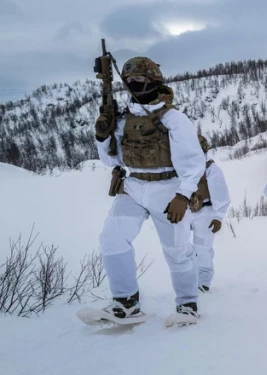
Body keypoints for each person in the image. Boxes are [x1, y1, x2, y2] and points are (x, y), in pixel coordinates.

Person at [95, 56, 205, 322]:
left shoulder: (173, 118)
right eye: (129, 80)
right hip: (133, 186)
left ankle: (187, 304)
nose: (133, 84)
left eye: (139, 80)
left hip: (168, 188)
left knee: (177, 249)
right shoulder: (123, 119)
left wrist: (183, 194)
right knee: (112, 238)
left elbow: (194, 162)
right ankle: (126, 301)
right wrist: (102, 136)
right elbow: (112, 159)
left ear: (154, 80)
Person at [188, 134, 231, 293]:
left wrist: (218, 217)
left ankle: (203, 282)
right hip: (185, 212)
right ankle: (188, 281)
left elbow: (221, 194)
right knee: (182, 248)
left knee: (202, 248)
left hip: (205, 212)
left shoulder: (211, 169)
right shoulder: (181, 167)